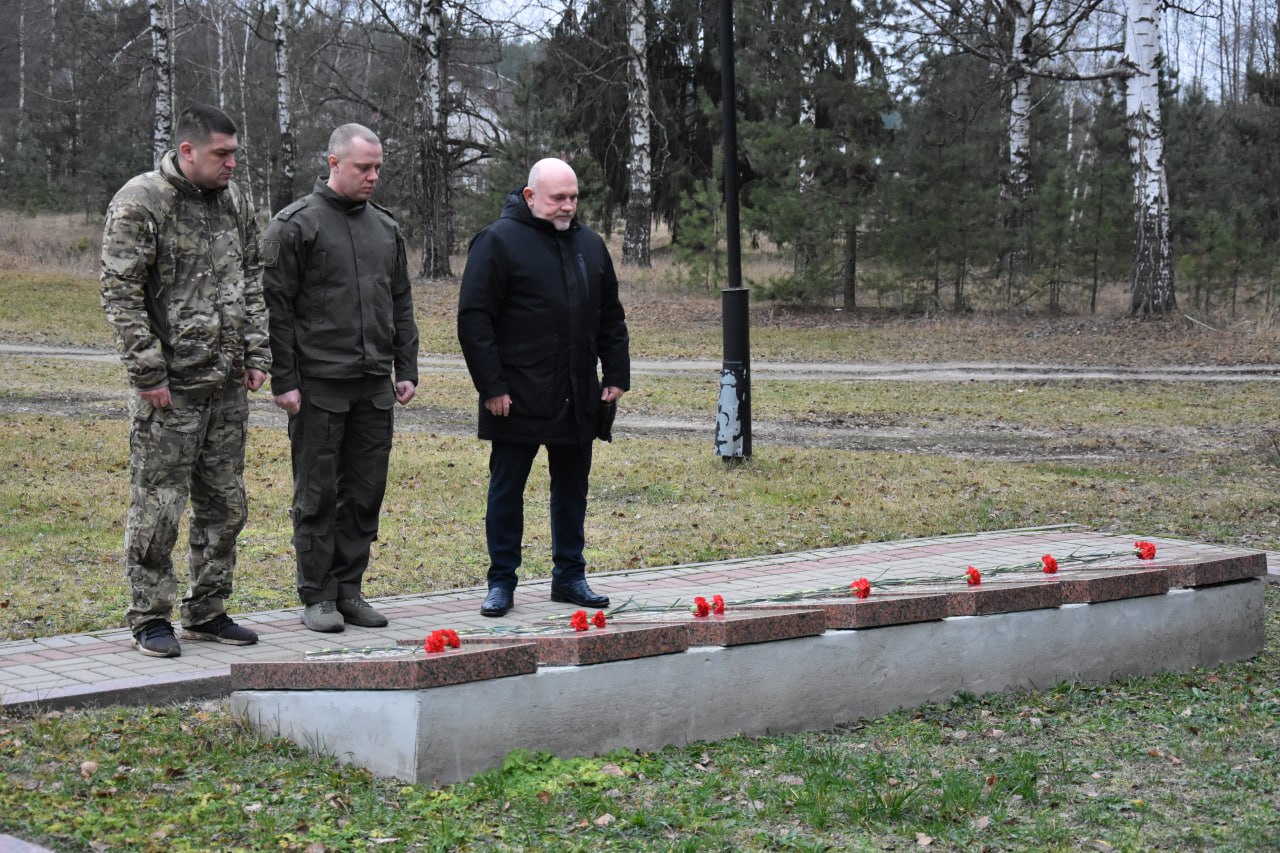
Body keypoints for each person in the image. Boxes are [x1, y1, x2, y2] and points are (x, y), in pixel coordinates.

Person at [100, 104, 271, 658]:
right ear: (188, 150)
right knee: (159, 506)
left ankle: (208, 608)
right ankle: (150, 616)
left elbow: (251, 276)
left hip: (224, 383)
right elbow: (120, 292)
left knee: (225, 503)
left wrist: (255, 350)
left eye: (235, 153)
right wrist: (148, 370)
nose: (232, 163)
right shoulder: (141, 201)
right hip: (170, 387)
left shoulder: (234, 201)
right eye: (222, 154)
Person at [262, 123, 420, 633]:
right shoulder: (295, 226)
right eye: (363, 168)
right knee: (318, 494)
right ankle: (317, 595)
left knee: (365, 492)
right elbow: (276, 310)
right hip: (318, 386)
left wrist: (406, 367)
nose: (373, 177)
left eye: (378, 168)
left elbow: (400, 302)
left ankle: (349, 589)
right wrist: (283, 380)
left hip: (373, 383)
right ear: (334, 163)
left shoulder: (385, 228)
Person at [457, 157, 630, 617]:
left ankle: (570, 576)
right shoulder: (497, 241)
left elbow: (610, 315)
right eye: (558, 198)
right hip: (515, 398)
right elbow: (475, 321)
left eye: (573, 197)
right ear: (531, 196)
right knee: (507, 490)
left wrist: (615, 374)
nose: (568, 206)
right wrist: (491, 386)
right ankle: (501, 582)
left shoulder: (590, 245)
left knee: (572, 489)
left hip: (577, 393)